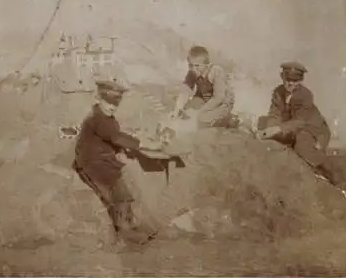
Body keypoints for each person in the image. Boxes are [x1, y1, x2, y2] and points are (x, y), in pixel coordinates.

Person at [72, 80, 163, 245]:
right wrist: (147, 144)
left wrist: (120, 151)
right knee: (117, 194)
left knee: (124, 192)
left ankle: (130, 225)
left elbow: (112, 139)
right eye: (108, 102)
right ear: (98, 99)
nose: (112, 106)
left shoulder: (108, 119)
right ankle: (124, 232)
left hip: (104, 160)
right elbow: (116, 137)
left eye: (116, 103)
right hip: (93, 164)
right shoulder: (97, 119)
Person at [256, 61, 343, 186]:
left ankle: (331, 173)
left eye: (295, 81)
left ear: (300, 81)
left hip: (313, 130)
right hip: (291, 127)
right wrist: (269, 129)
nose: (291, 83)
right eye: (288, 79)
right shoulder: (278, 92)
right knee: (264, 124)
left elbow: (300, 121)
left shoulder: (305, 95)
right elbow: (274, 114)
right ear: (282, 77)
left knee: (302, 146)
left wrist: (276, 129)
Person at [171, 46, 238, 129]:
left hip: (222, 103)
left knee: (201, 118)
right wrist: (177, 110)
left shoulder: (216, 71)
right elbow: (185, 91)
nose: (194, 69)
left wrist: (199, 111)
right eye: (191, 65)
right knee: (185, 111)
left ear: (207, 64)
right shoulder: (192, 72)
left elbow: (219, 98)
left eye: (197, 66)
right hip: (204, 98)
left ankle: (230, 119)